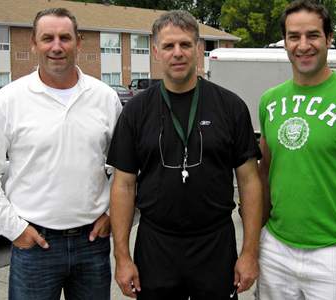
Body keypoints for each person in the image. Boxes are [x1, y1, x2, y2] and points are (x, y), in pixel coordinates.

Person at [107, 10, 262, 300]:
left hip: (215, 243)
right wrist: (123, 257)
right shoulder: (135, 112)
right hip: (156, 243)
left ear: (199, 48)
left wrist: (250, 253)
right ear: (155, 52)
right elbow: (123, 186)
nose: (177, 53)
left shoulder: (231, 107)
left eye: (185, 45)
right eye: (168, 46)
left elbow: (250, 182)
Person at [0, 7, 122, 300]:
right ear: (33, 44)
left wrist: (110, 212)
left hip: (93, 245)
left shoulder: (104, 98)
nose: (56, 46)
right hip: (34, 246)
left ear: (78, 43)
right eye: (47, 38)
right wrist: (13, 228)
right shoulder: (9, 100)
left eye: (64, 38)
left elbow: (124, 167)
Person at [257, 0, 336, 299]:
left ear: (328, 39)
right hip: (275, 250)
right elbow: (265, 173)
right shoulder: (270, 101)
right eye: (294, 36)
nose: (303, 45)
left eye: (312, 35)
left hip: (334, 254)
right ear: (284, 42)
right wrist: (256, 241)